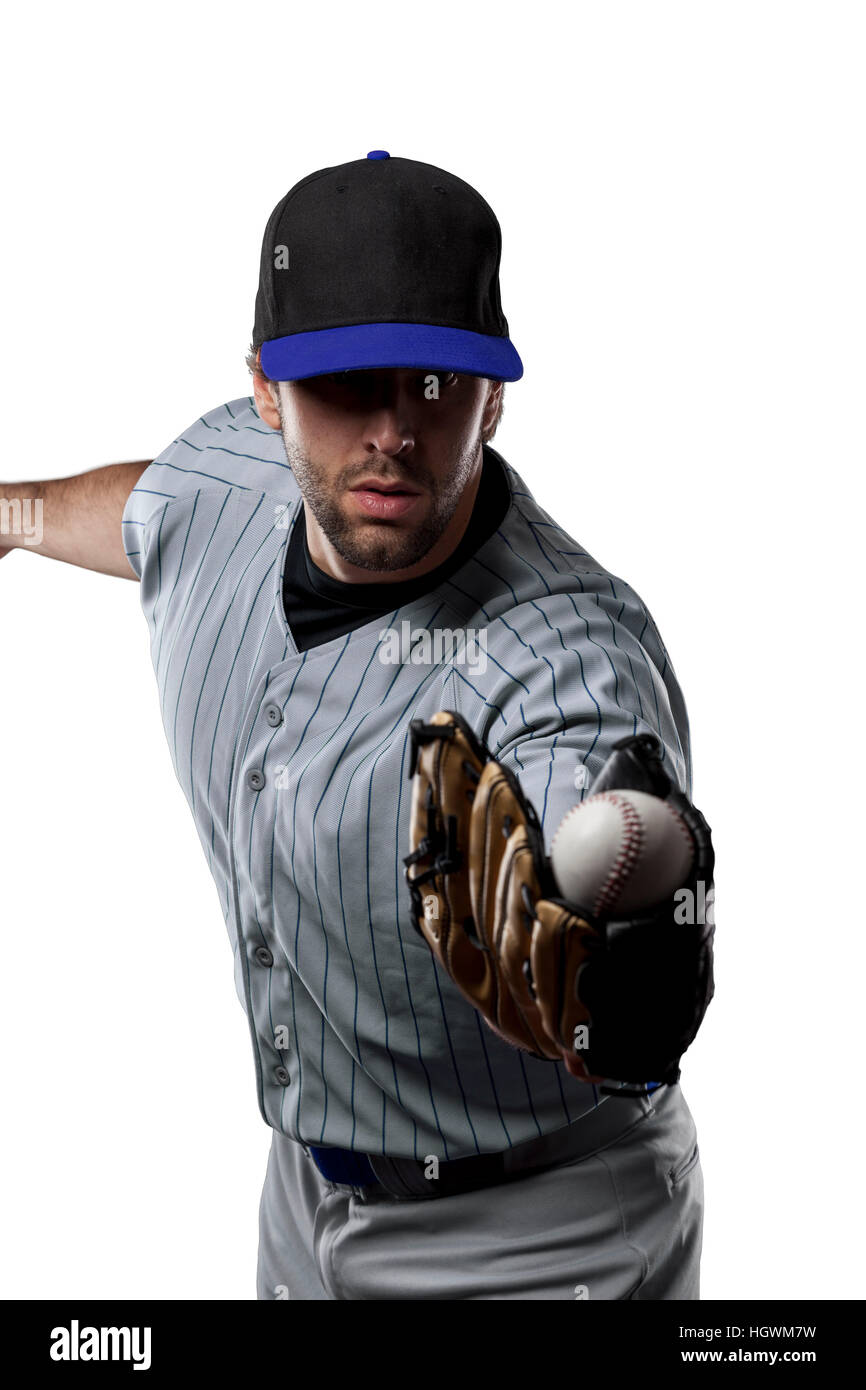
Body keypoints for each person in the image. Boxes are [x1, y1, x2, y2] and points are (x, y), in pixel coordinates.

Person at [1, 151, 706, 1300]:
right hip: (302, 1199)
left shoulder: (563, 656)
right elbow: (142, 511)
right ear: (265, 391)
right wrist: (12, 515)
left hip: (536, 1236)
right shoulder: (224, 482)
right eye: (343, 383)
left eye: (434, 382)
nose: (390, 429)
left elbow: (592, 802)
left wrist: (607, 924)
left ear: (494, 395)